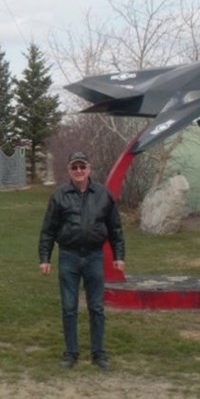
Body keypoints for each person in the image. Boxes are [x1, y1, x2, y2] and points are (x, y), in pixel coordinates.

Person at [38, 150, 125, 370]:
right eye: (74, 167)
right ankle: (71, 353)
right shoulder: (59, 196)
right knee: (69, 307)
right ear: (69, 170)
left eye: (82, 167)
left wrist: (119, 256)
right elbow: (48, 230)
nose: (78, 171)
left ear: (89, 169)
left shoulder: (103, 195)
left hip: (95, 257)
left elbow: (115, 228)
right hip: (68, 257)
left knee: (96, 307)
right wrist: (45, 258)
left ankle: (98, 353)